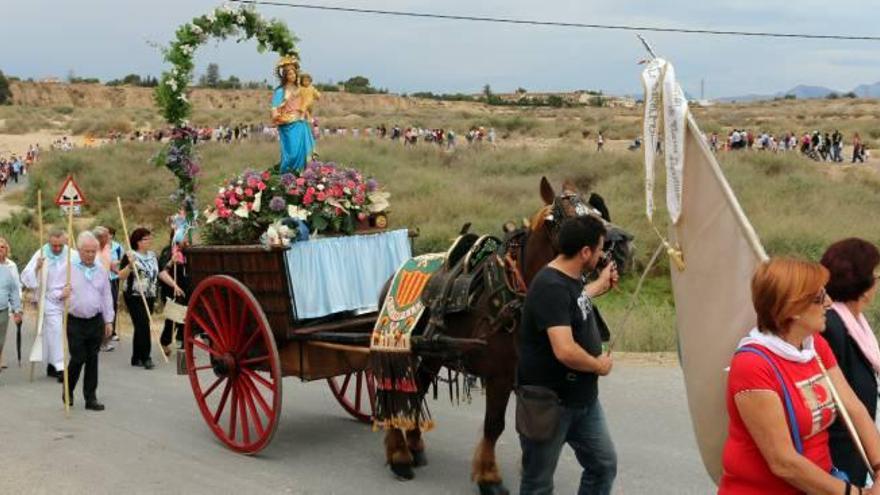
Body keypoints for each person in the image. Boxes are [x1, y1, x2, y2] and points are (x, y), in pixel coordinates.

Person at [719, 258, 880, 494]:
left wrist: (879, 467)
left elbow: (853, 408)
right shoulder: (753, 364)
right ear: (792, 309)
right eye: (819, 297)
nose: (829, 302)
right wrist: (854, 493)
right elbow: (784, 463)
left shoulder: (814, 347)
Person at [517, 215, 619, 495]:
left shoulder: (569, 280)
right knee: (538, 483)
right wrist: (598, 366)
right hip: (551, 405)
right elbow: (564, 350)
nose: (600, 255)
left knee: (603, 466)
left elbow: (574, 299)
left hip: (583, 402)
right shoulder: (550, 286)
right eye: (599, 249)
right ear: (585, 252)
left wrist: (600, 284)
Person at [821, 239, 880, 487]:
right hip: (838, 459)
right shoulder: (831, 326)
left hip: (859, 453)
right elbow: (842, 401)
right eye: (875, 274)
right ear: (863, 285)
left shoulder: (857, 325)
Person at [55, 232, 114, 410]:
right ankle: (68, 389)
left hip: (95, 320)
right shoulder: (67, 269)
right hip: (75, 320)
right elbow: (53, 291)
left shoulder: (101, 270)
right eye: (86, 251)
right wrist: (61, 294)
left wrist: (108, 320)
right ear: (79, 250)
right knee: (78, 357)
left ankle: (91, 398)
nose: (90, 254)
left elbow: (106, 296)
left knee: (92, 359)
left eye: (93, 251)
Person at [21, 227, 69, 381]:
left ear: (64, 242)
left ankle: (51, 364)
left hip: (67, 298)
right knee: (55, 329)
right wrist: (36, 268)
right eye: (53, 245)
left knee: (54, 333)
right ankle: (61, 366)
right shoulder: (41, 253)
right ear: (49, 242)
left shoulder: (71, 254)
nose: (56, 249)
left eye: (59, 246)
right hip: (47, 298)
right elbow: (26, 277)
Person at [118, 228, 159, 370]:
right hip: (134, 295)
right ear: (138, 242)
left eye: (149, 238)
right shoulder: (130, 255)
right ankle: (146, 357)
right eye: (146, 239)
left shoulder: (153, 255)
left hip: (150, 294)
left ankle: (136, 357)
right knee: (143, 325)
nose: (149, 241)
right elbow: (121, 276)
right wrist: (130, 266)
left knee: (141, 325)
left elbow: (157, 273)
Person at [271, 55, 315, 173]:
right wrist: (278, 117)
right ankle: (288, 175)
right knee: (292, 153)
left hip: (301, 123)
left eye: (294, 73)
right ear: (285, 75)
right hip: (288, 124)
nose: (292, 76)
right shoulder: (280, 91)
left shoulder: (300, 89)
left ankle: (304, 175)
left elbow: (306, 103)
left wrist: (308, 113)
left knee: (306, 151)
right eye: (289, 74)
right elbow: (274, 108)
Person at [158, 225, 189, 356]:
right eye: (185, 237)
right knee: (172, 317)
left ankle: (183, 341)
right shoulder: (168, 251)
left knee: (185, 316)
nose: (187, 240)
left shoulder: (188, 252)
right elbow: (162, 271)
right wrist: (172, 261)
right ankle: (164, 342)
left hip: (186, 288)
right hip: (171, 289)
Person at [94, 226, 123, 350]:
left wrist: (119, 270)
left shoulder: (108, 248)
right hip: (93, 284)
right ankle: (96, 339)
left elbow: (109, 265)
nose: (109, 238)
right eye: (106, 236)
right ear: (99, 238)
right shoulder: (91, 248)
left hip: (107, 281)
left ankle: (105, 340)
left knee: (108, 308)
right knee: (96, 311)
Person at [0, 237, 22, 372]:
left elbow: (15, 290)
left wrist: (17, 310)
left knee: (0, 340)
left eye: (2, 247)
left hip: (3, 310)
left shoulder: (9, 268)